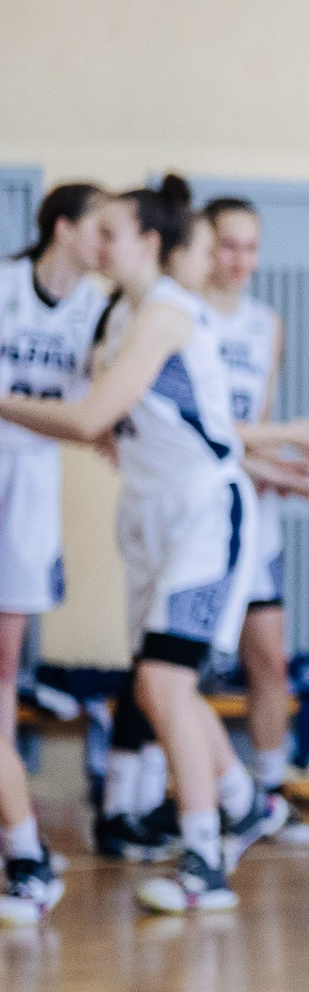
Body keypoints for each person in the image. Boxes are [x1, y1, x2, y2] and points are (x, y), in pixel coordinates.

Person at [0, 176, 309, 915]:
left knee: (164, 684)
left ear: (149, 242)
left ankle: (206, 855)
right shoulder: (118, 317)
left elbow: (87, 420)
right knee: (155, 681)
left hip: (204, 516)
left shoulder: (170, 314)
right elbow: (179, 422)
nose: (98, 243)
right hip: (148, 514)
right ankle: (241, 802)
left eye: (111, 232)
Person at [0, 182, 111, 926]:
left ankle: (18, 832)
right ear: (63, 228)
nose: (109, 241)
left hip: (30, 495)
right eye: (99, 227)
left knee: (5, 672)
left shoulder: (101, 311)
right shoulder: (6, 284)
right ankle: (21, 839)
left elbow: (107, 420)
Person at [201, 195, 309, 845]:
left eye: (250, 246)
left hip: (253, 511)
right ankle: (198, 795)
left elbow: (258, 424)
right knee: (183, 668)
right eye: (227, 245)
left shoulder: (266, 323)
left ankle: (269, 792)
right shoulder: (182, 319)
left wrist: (280, 473)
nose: (240, 259)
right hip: (199, 511)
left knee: (268, 658)